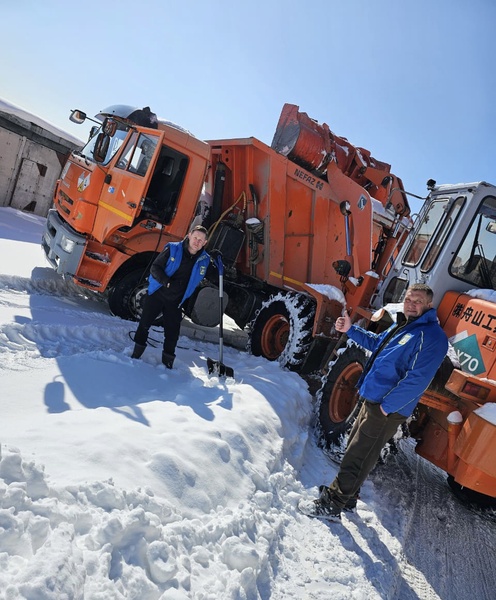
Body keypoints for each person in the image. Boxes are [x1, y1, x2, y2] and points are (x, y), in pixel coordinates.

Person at [299, 283, 448, 521]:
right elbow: (376, 344)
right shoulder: (404, 325)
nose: (412, 304)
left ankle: (333, 504)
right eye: (409, 299)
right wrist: (350, 330)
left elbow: (417, 380)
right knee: (358, 450)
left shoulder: (432, 337)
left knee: (358, 454)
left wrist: (386, 407)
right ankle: (347, 496)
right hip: (372, 398)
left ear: (429, 305)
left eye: (418, 301)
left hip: (386, 407)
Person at [131, 225, 212, 368]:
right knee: (144, 324)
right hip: (158, 293)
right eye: (195, 238)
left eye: (201, 240)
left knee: (172, 333)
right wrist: (167, 283)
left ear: (205, 243)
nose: (197, 242)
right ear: (189, 235)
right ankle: (135, 354)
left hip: (176, 301)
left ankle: (167, 363)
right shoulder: (173, 249)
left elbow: (208, 277)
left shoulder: (204, 260)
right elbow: (155, 268)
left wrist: (218, 264)